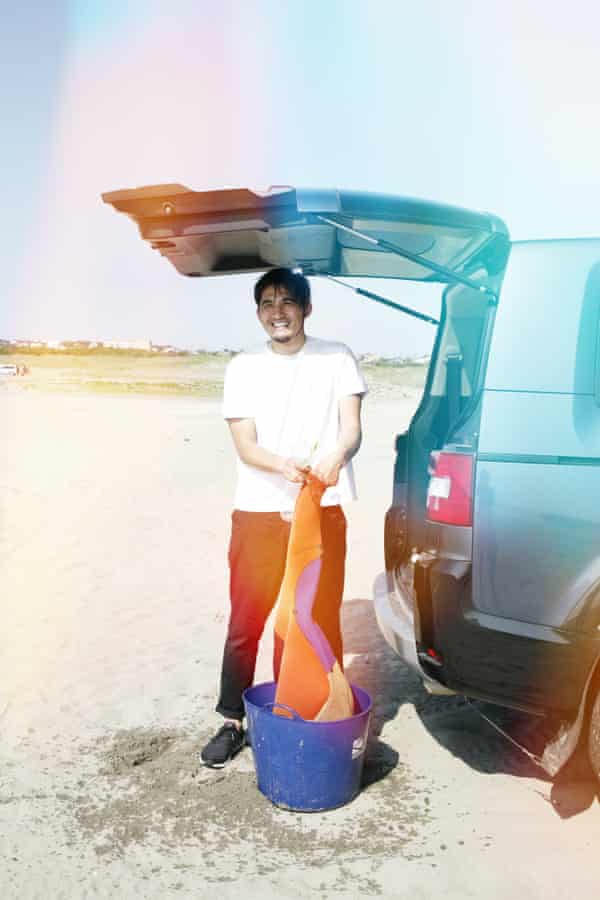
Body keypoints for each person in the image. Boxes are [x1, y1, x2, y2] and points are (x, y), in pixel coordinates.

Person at [200, 267, 367, 767]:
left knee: (317, 619)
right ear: (258, 313)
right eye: (268, 303)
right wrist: (284, 465)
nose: (279, 311)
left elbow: (351, 429)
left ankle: (309, 714)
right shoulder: (243, 366)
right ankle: (232, 719)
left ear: (306, 308)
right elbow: (246, 446)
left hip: (322, 510)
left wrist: (336, 455)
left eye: (288, 301)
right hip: (259, 511)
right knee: (247, 621)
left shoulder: (337, 356)